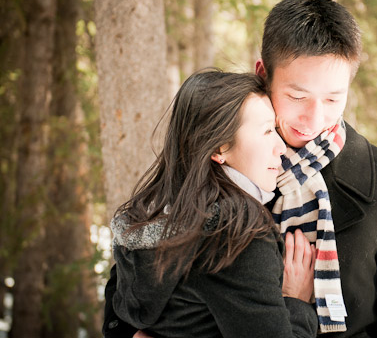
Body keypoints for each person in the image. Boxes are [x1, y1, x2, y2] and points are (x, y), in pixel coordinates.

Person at [255, 0, 377, 337]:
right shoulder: (220, 161)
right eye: (297, 97)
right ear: (263, 74)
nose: (314, 119)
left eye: (333, 99)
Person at [103, 70, 318, 338]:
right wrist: (296, 302)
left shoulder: (150, 215)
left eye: (275, 129)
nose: (281, 147)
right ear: (219, 148)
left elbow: (118, 301)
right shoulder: (237, 232)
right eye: (266, 131)